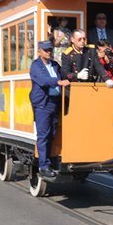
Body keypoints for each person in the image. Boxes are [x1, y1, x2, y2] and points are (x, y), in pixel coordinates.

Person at [30, 40, 70, 178]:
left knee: (52, 133)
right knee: (43, 135)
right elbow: (43, 80)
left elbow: (65, 75)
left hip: (54, 103)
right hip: (42, 104)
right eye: (46, 50)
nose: (49, 52)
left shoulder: (55, 65)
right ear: (39, 51)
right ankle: (43, 166)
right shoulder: (35, 66)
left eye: (50, 50)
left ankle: (51, 159)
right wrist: (58, 82)